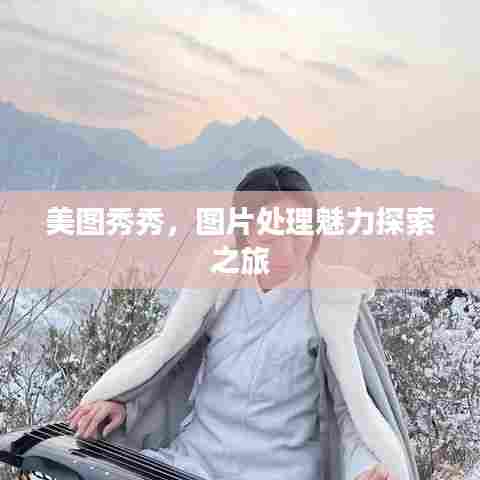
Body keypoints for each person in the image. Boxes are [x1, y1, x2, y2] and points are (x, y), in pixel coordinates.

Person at [67, 164, 419, 480]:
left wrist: (366, 470)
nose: (286, 249)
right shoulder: (218, 287)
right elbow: (170, 365)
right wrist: (125, 402)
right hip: (194, 462)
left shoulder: (335, 304)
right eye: (270, 234)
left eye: (298, 232)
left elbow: (352, 412)